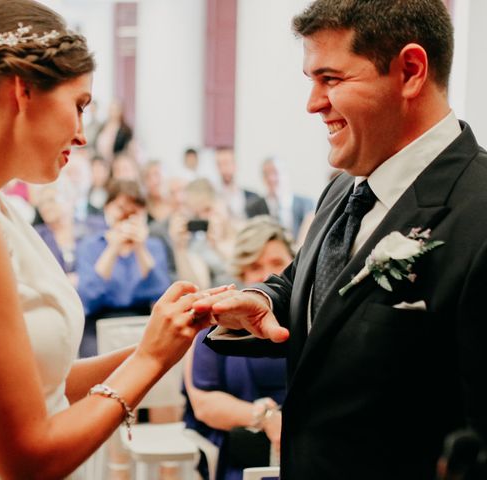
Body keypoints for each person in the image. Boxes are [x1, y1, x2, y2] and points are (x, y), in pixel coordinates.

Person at [0, 1, 216, 478]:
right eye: (78, 106)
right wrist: (150, 359)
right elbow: (27, 459)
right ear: (23, 91)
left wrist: (166, 344)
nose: (81, 135)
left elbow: (37, 387)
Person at [194, 1, 487, 479]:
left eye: (330, 79)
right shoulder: (343, 188)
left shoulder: (478, 212)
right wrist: (264, 297)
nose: (312, 102)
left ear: (410, 71)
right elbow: (313, 287)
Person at [184, 216, 294, 480]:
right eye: (255, 266)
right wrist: (265, 418)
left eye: (277, 263)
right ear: (242, 274)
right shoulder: (217, 328)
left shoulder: (312, 320)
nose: (267, 274)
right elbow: (204, 404)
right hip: (246, 447)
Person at [76, 179, 171, 358]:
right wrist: (113, 248)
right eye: (120, 208)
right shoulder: (90, 246)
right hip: (98, 325)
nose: (126, 215)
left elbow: (161, 294)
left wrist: (140, 248)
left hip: (143, 324)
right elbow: (87, 299)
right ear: (107, 209)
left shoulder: (153, 246)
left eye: (134, 210)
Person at [246, 157, 315, 244]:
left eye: (275, 172)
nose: (271, 178)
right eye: (266, 174)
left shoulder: (307, 205)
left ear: (286, 174)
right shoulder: (253, 208)